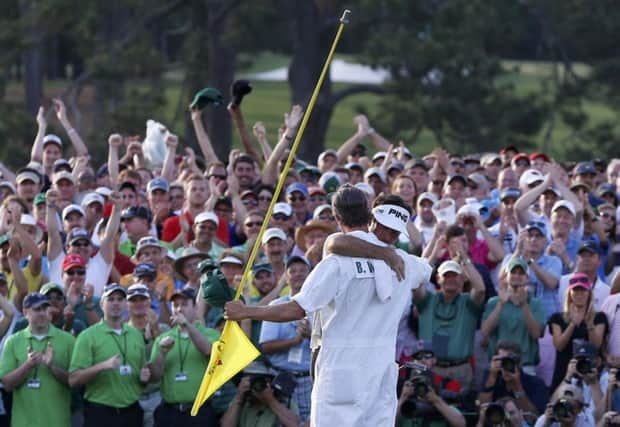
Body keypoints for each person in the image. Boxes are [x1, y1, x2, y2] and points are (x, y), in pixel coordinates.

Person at [225, 186, 431, 427]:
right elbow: (426, 269)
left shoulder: (336, 263)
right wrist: (390, 248)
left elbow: (296, 309)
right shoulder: (405, 264)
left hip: (341, 369)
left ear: (337, 217)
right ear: (368, 216)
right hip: (380, 372)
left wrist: (247, 311)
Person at [69, 284, 151, 427]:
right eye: (111, 299)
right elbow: (73, 379)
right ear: (102, 304)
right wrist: (102, 366)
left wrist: (144, 378)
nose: (116, 303)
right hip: (101, 413)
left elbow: (141, 375)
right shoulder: (88, 336)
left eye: (120, 299)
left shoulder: (136, 335)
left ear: (126, 304)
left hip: (131, 412)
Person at [0, 292, 75, 427]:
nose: (42, 313)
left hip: (58, 422)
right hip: (23, 423)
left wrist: (53, 367)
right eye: (37, 309)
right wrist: (27, 366)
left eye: (45, 308)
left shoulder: (68, 340)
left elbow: (75, 382)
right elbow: (7, 385)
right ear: (25, 312)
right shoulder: (12, 341)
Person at [150, 287, 220, 426]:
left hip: (200, 412)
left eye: (184, 304)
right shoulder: (163, 338)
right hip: (170, 412)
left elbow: (207, 350)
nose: (179, 309)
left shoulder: (211, 334)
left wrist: (187, 325)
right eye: (176, 305)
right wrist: (162, 352)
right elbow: (155, 376)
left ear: (195, 307)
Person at [259, 255, 313, 422]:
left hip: (309, 380)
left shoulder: (323, 307)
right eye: (293, 271)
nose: (298, 274)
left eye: (303, 270)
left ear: (311, 275)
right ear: (286, 277)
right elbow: (265, 347)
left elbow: (334, 344)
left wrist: (312, 335)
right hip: (280, 378)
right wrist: (294, 341)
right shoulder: (275, 306)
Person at [482, 258, 546, 370]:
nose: (517, 276)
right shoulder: (494, 302)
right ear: (506, 277)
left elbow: (536, 334)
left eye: (521, 273)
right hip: (498, 364)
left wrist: (524, 305)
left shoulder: (536, 304)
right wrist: (500, 304)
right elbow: (485, 331)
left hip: (525, 364)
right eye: (513, 272)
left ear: (527, 278)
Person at [548, 272, 608, 391]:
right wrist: (572, 324)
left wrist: (589, 324)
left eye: (583, 290)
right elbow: (559, 346)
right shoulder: (557, 318)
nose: (579, 294)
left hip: (590, 375)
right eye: (576, 290)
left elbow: (596, 345)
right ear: (570, 293)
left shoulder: (599, 317)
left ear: (589, 293)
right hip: (564, 372)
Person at [478, 341, 549, 425]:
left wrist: (517, 385)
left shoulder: (535, 383)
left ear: (519, 362)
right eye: (501, 360)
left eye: (508, 360)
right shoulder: (491, 377)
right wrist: (492, 377)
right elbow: (482, 408)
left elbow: (533, 419)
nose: (505, 364)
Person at [219, 361, 300, 427]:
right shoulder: (242, 401)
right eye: (251, 380)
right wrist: (239, 397)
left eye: (260, 380)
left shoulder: (282, 400)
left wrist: (271, 401)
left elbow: (295, 425)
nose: (256, 385)